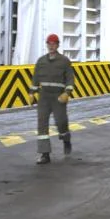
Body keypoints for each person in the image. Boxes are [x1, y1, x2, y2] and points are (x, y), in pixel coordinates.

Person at [29, 33, 75, 165]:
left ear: (58, 45)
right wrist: (31, 93)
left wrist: (67, 92)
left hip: (58, 97)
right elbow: (35, 78)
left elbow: (70, 78)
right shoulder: (41, 61)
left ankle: (66, 139)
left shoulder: (64, 61)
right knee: (42, 124)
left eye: (53, 44)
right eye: (49, 44)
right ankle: (45, 154)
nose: (51, 46)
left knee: (61, 122)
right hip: (44, 97)